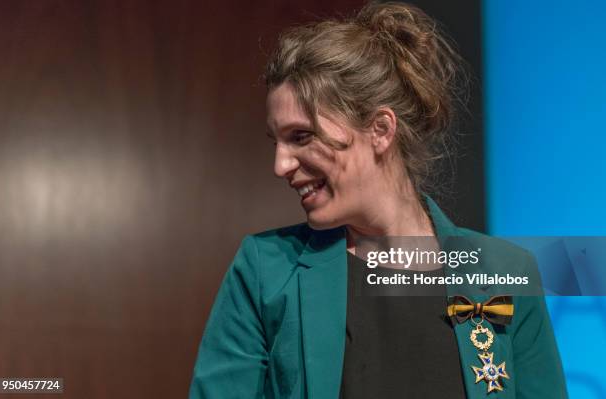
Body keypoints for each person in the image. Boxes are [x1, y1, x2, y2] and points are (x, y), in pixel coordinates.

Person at [189, 2, 567, 398]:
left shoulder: (506, 269)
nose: (280, 165)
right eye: (277, 141)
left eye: (301, 137)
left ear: (381, 130)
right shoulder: (265, 269)